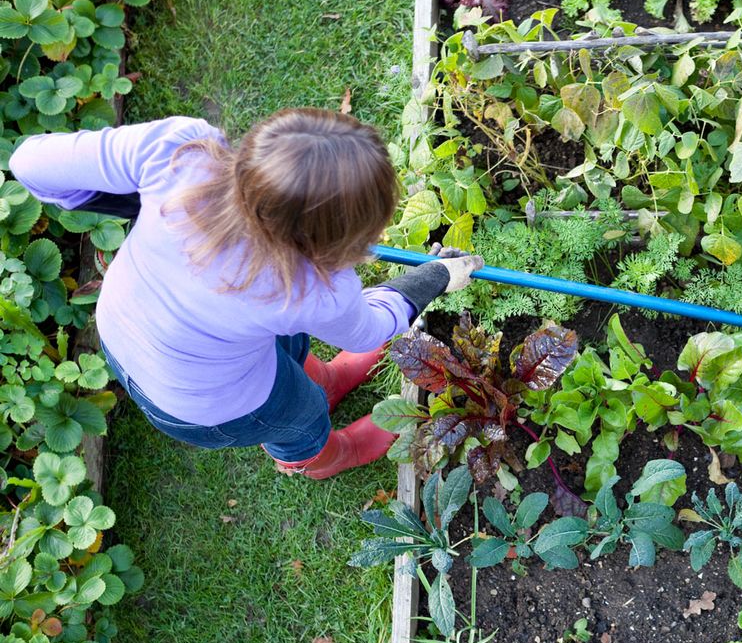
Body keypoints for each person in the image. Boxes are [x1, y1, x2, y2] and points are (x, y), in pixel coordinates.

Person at [9, 109, 483, 479]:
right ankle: (325, 456)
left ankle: (326, 380)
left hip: (125, 329)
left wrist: (142, 202)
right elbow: (372, 329)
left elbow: (27, 163)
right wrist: (435, 276)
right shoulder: (313, 286)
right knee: (298, 416)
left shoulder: (177, 153)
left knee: (279, 347)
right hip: (200, 402)